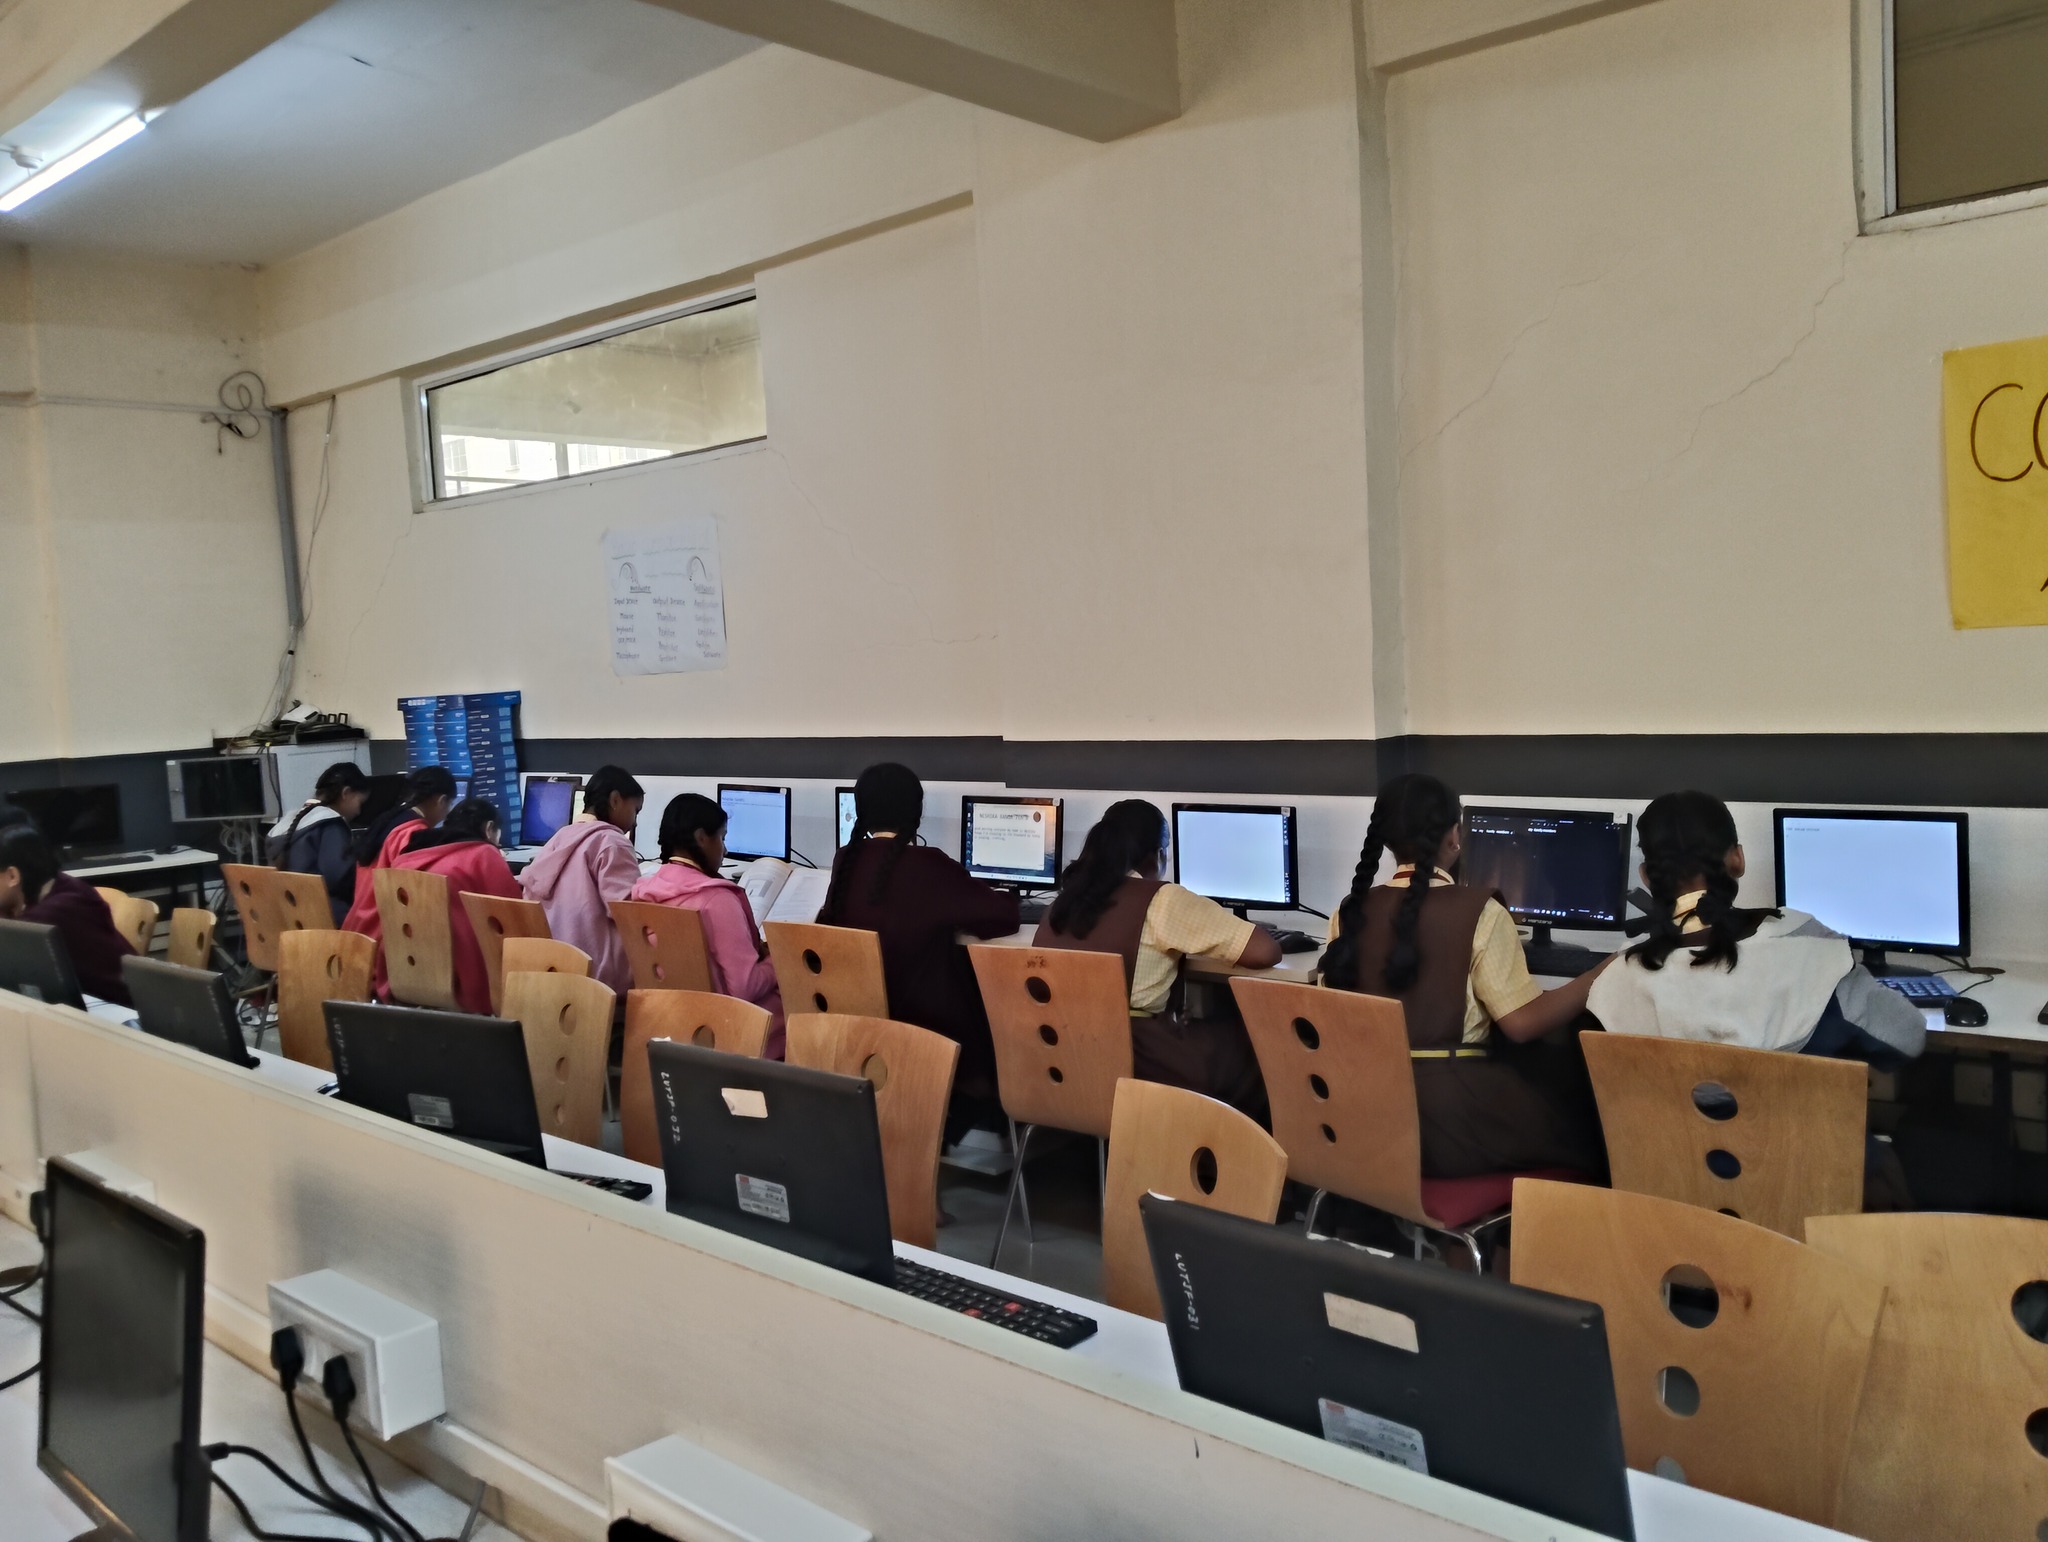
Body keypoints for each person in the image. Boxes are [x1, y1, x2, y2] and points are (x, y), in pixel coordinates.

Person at [1585, 790, 1924, 1205]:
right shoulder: (1809, 950)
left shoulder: (1619, 980)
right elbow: (1907, 1038)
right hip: (1813, 1207)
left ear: (1645, 876)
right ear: (1737, 860)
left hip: (1675, 1211)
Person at [1319, 773, 1609, 1179]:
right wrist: (1596, 976)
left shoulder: (1347, 912)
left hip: (1363, 1111)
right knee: (1592, 1131)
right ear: (1454, 836)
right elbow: (1522, 1023)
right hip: (1448, 1120)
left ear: (1384, 840)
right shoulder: (1482, 912)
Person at [1034, 799, 1280, 1110]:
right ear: (1158, 853)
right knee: (1259, 1045)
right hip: (1137, 1058)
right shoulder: (1162, 900)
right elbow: (1265, 951)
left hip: (1063, 1056)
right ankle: (1229, 1139)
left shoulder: (1063, 900)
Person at [817, 763, 1019, 1113]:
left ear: (860, 810)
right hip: (927, 1029)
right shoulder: (929, 865)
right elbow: (1002, 917)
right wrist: (1008, 896)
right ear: (916, 812)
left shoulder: (845, 860)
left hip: (860, 1031)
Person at [627, 794, 785, 1056]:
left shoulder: (643, 890)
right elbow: (744, 988)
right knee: (802, 1009)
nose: (725, 850)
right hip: (723, 1029)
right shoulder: (717, 899)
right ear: (701, 838)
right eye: (722, 838)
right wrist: (777, 960)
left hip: (666, 1020)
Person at [350, 798, 521, 1016]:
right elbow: (512, 918)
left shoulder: (408, 855)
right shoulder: (484, 855)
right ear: (489, 829)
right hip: (462, 982)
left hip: (402, 973)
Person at [519, 766, 644, 994]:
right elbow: (629, 913)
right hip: (599, 979)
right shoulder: (613, 842)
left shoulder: (559, 837)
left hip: (555, 968)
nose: (635, 822)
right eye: (635, 810)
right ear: (615, 800)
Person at [0, 824, 135, 1005]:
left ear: (12, 876)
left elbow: (12, 964)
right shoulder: (52, 885)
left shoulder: (55, 911)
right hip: (88, 1002)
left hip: (123, 1010)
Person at [342, 766, 457, 934]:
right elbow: (413, 893)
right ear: (442, 801)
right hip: (382, 931)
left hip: (359, 923)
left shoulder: (388, 820)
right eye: (450, 805)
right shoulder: (413, 834)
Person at [266, 761, 370, 924]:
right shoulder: (330, 824)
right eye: (360, 803)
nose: (358, 811)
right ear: (346, 793)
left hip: (290, 917)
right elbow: (340, 878)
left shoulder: (285, 823)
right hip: (323, 918)